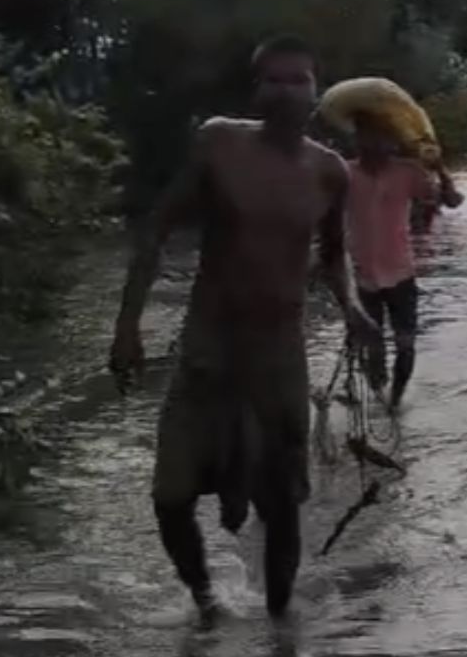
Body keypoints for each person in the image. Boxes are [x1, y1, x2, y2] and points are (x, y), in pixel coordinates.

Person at [108, 35, 378, 621]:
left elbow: (334, 254)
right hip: (208, 346)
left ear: (315, 91)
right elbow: (155, 231)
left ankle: (281, 628)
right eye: (273, 80)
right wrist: (127, 328)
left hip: (280, 352)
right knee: (170, 496)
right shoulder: (219, 143)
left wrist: (352, 306)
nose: (285, 91)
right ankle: (207, 601)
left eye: (297, 80)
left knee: (281, 504)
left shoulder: (329, 172)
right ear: (256, 90)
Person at [346, 111, 464, 413]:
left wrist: (440, 169)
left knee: (406, 345)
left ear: (391, 141)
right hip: (361, 276)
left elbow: (452, 201)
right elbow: (323, 215)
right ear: (357, 139)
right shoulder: (343, 173)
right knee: (371, 346)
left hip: (401, 273)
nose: (372, 142)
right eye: (365, 135)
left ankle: (395, 404)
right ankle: (377, 392)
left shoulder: (409, 172)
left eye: (380, 135)